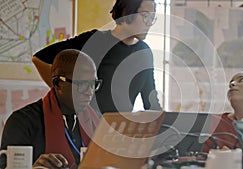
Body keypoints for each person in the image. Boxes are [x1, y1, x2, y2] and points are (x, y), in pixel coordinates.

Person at [32, 0, 161, 114]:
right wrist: (63, 94)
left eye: (152, 18)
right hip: (87, 129)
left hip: (118, 131)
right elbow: (40, 58)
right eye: (145, 16)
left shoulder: (145, 52)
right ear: (127, 11)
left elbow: (151, 101)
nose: (149, 23)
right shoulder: (95, 40)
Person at [0, 49, 101, 169]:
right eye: (82, 84)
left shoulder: (96, 122)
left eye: (93, 84)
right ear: (58, 83)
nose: (89, 92)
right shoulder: (22, 121)